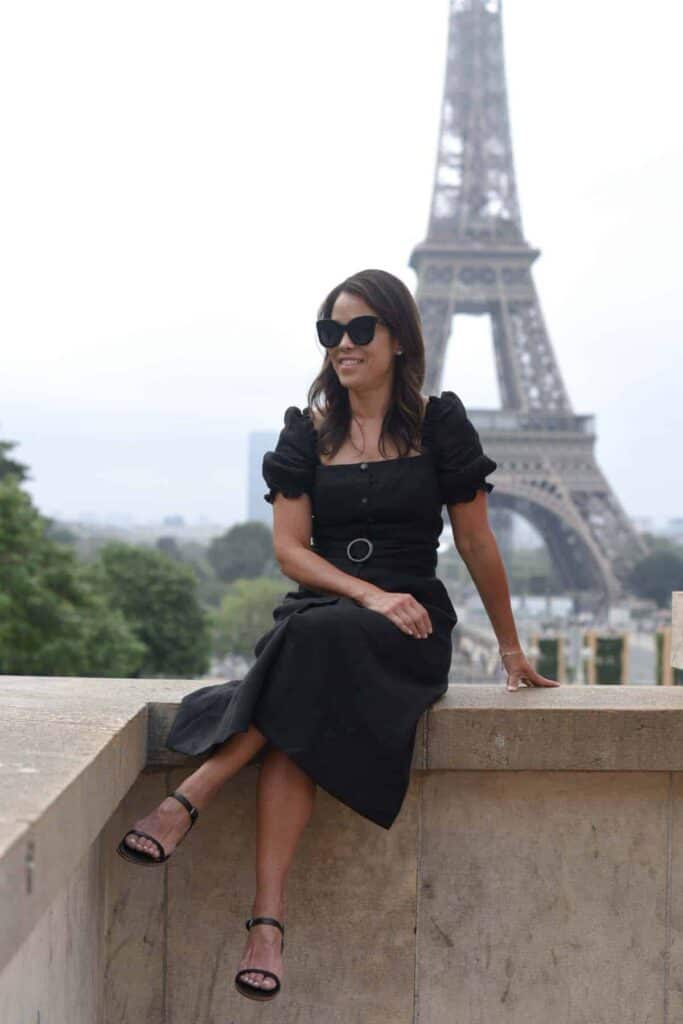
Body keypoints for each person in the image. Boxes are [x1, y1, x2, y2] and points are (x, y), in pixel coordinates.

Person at [115, 267, 561, 1002]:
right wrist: (365, 593)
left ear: (397, 338)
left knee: (314, 654)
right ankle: (267, 922)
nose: (343, 344)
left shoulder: (439, 427)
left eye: (359, 329)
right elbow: (291, 551)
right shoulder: (306, 433)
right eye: (330, 331)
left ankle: (193, 794)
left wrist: (509, 647)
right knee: (308, 689)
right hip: (329, 611)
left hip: (409, 624)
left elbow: (477, 543)